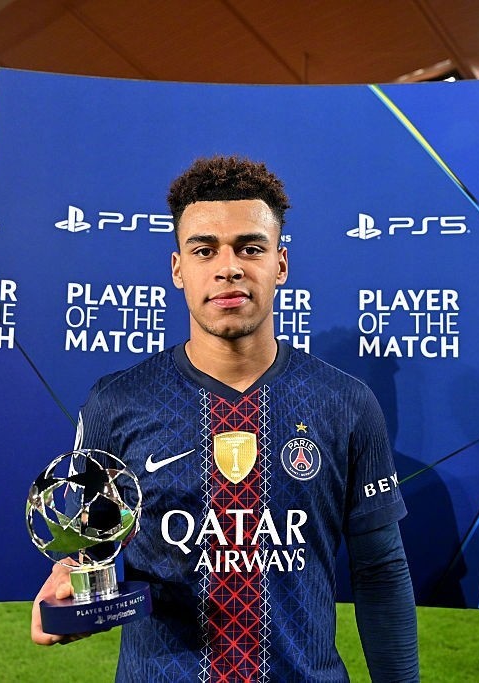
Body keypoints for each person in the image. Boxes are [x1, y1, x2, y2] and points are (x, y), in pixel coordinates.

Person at [30, 155, 419, 682]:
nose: (228, 267)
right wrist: (66, 586)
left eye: (250, 248)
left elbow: (379, 571)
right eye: (205, 250)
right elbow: (86, 553)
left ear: (280, 264)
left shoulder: (345, 402)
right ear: (178, 269)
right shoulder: (116, 402)